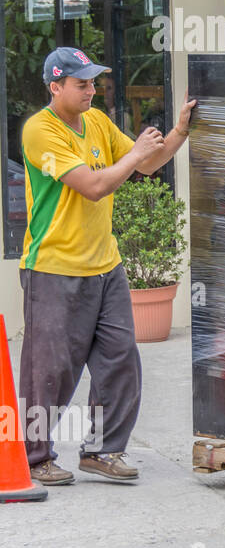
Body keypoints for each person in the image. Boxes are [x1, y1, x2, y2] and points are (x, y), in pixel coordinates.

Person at [19, 47, 196, 485]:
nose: (91, 90)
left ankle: (103, 450)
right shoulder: (40, 131)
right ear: (55, 86)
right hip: (55, 269)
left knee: (121, 361)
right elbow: (95, 186)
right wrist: (135, 155)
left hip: (106, 266)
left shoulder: (96, 121)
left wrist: (178, 131)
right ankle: (34, 456)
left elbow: (147, 163)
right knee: (51, 371)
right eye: (82, 84)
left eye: (93, 82)